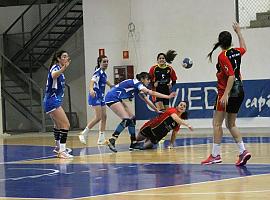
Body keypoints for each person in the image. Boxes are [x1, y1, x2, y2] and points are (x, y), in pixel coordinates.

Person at [201, 22, 251, 166]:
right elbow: (244, 48)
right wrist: (239, 32)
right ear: (230, 42)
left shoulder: (223, 56)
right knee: (231, 124)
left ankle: (215, 155)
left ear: (220, 42)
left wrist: (225, 94)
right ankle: (243, 151)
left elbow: (230, 76)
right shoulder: (236, 52)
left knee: (216, 124)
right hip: (240, 91)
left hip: (227, 92)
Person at [105, 72, 176, 153]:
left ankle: (133, 143)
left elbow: (146, 99)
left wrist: (156, 110)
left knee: (132, 119)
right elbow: (151, 92)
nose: (149, 81)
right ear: (142, 79)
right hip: (112, 97)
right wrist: (168, 96)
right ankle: (112, 139)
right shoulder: (137, 83)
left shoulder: (137, 87)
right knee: (126, 119)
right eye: (147, 79)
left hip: (117, 98)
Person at [43, 50, 73, 159]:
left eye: (67, 56)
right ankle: (62, 151)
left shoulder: (59, 69)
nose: (66, 58)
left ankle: (57, 147)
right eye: (64, 56)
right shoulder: (55, 68)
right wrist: (64, 68)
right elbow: (54, 75)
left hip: (51, 100)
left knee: (58, 125)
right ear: (59, 58)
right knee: (66, 125)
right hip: (52, 101)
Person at [78, 55, 113, 145]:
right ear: (99, 63)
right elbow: (92, 81)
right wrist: (91, 90)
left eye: (107, 61)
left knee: (104, 116)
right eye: (104, 62)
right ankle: (83, 133)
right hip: (95, 96)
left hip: (101, 97)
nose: (106, 63)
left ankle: (101, 139)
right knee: (98, 117)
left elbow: (105, 80)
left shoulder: (103, 73)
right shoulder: (97, 72)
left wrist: (111, 85)